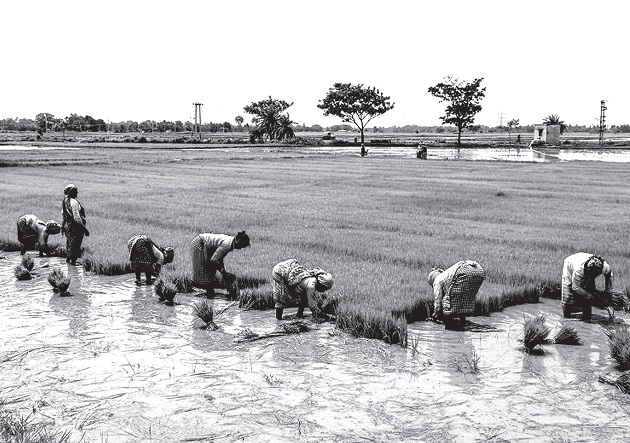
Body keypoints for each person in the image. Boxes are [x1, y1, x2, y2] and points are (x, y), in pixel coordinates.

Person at [427, 260, 485, 330]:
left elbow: (438, 300)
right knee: (461, 299)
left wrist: (435, 315)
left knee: (447, 301)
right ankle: (462, 324)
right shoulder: (447, 276)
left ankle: (449, 328)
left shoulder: (437, 280)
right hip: (479, 270)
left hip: (465, 270)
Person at [191, 231, 250, 296]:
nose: (241, 248)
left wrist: (223, 272)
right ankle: (205, 292)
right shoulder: (227, 244)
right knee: (205, 270)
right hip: (200, 243)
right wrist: (224, 273)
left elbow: (219, 259)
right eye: (242, 245)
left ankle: (210, 294)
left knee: (211, 271)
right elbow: (213, 261)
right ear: (237, 241)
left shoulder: (230, 243)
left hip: (206, 246)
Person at [561, 252, 612, 321]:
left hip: (584, 265)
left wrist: (608, 292)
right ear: (588, 270)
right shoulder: (578, 270)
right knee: (568, 299)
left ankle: (587, 318)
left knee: (588, 297)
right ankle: (567, 316)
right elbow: (575, 287)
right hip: (569, 267)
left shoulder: (605, 267)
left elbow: (608, 277)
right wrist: (590, 296)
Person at [61, 183, 89, 265]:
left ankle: (68, 261)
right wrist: (84, 229)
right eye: (76, 191)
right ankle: (73, 263)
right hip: (75, 227)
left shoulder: (65, 201)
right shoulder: (74, 202)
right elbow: (76, 217)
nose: (77, 193)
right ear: (72, 192)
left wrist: (63, 226)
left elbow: (63, 213)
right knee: (76, 244)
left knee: (69, 243)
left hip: (67, 225)